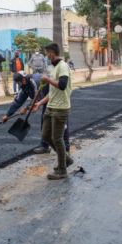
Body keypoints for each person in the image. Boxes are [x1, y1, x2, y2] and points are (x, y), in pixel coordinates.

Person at [32, 43, 73, 180]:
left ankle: (62, 169)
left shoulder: (63, 67)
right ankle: (65, 159)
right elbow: (53, 93)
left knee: (57, 138)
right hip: (50, 106)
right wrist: (39, 103)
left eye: (47, 53)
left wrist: (47, 79)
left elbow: (61, 86)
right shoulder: (54, 68)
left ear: (52, 53)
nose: (46, 56)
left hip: (60, 109)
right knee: (45, 135)